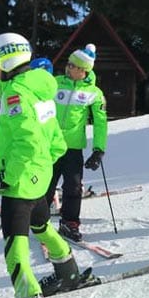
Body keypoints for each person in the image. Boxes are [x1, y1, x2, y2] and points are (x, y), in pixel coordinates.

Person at [0, 32, 90, 298]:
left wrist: (8, 177)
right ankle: (67, 271)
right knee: (41, 224)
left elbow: (27, 141)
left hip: (20, 180)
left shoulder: (16, 93)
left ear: (7, 60)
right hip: (39, 174)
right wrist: (40, 166)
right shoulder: (38, 87)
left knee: (14, 250)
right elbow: (55, 139)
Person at [45, 43, 108, 242]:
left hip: (73, 148)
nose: (68, 67)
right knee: (44, 185)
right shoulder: (55, 83)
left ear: (83, 70)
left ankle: (69, 223)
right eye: (69, 64)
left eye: (72, 65)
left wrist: (98, 150)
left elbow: (100, 122)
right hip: (50, 146)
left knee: (73, 187)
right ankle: (39, 222)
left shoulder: (94, 93)